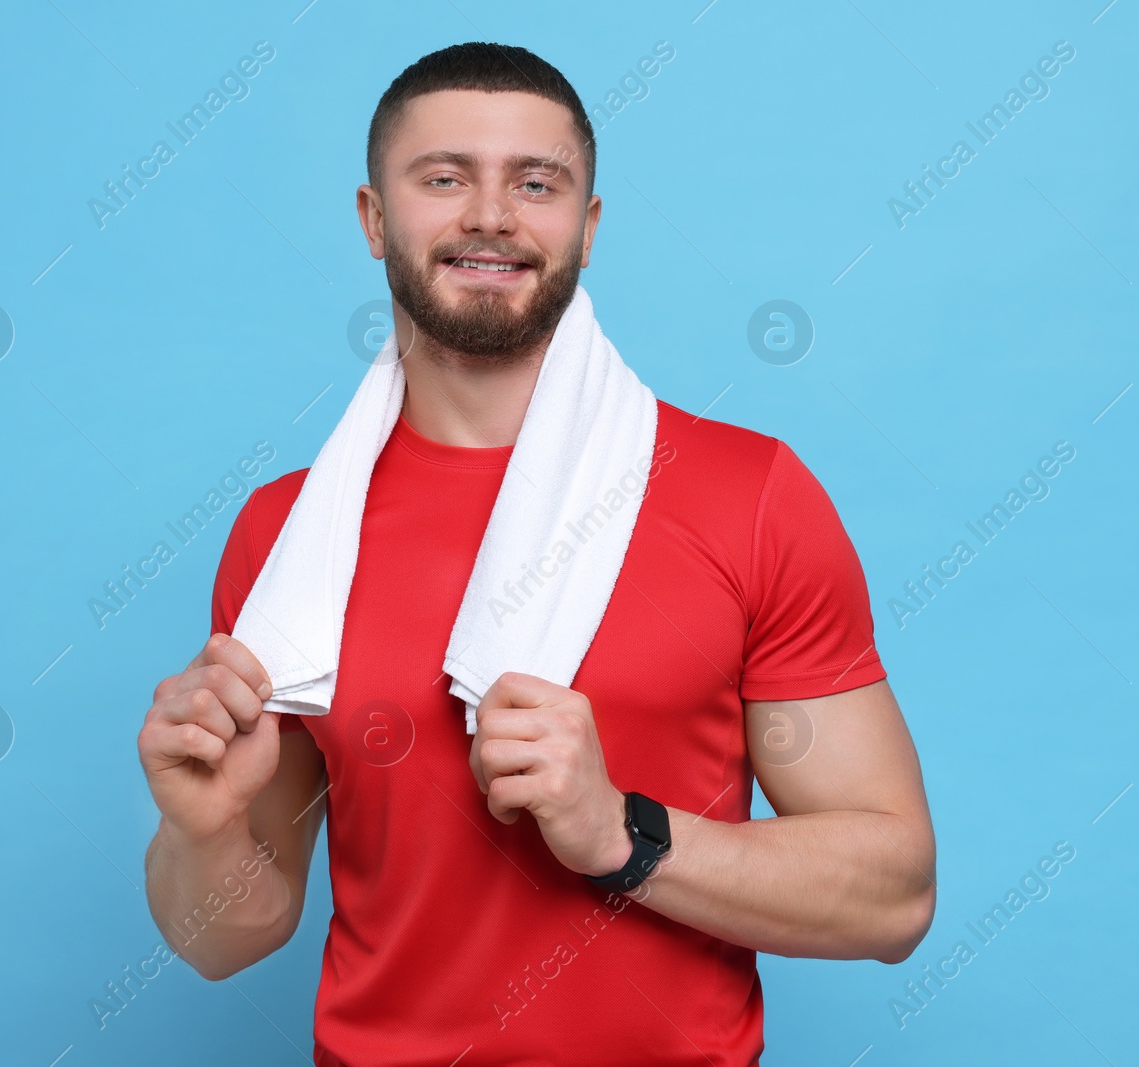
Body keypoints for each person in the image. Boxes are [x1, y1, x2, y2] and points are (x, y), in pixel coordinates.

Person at [139, 41, 935, 1067]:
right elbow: (231, 939)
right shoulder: (287, 531)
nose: (489, 216)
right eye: (442, 177)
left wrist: (620, 834)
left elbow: (894, 893)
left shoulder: (747, 495)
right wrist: (202, 828)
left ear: (587, 228)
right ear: (374, 220)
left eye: (535, 182)